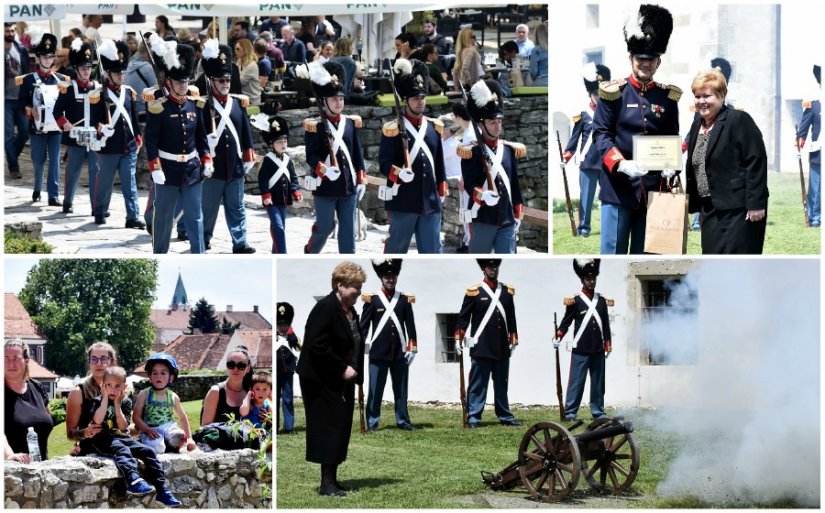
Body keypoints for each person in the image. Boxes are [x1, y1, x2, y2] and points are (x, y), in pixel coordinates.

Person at [592, 4, 680, 254]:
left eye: (651, 59)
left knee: (646, 256)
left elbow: (672, 138)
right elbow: (601, 134)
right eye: (641, 58)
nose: (646, 63)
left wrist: (670, 167)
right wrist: (621, 163)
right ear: (631, 57)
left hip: (653, 192)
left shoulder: (668, 97)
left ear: (659, 61)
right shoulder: (614, 93)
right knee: (613, 254)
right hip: (619, 189)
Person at [296, 261, 368, 497]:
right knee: (328, 428)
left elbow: (353, 342)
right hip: (320, 380)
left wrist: (355, 372)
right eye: (354, 286)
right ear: (340, 285)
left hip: (339, 381)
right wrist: (341, 369)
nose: (358, 291)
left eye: (359, 286)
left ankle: (333, 480)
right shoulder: (326, 308)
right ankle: (327, 484)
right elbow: (316, 346)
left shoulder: (349, 310)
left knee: (340, 427)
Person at [685, 68, 768, 254]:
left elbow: (756, 162)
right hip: (709, 209)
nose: (701, 101)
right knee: (713, 262)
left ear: (721, 96)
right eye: (697, 96)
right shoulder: (697, 125)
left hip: (739, 210)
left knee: (739, 263)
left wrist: (756, 204)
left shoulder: (739, 119)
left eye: (707, 96)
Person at [144, 37, 211, 254]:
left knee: (195, 216)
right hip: (167, 170)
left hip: (191, 169)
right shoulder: (158, 108)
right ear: (170, 81)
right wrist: (155, 168)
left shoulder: (195, 105)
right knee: (163, 217)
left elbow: (201, 138)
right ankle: (159, 254)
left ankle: (198, 253)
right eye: (180, 81)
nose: (184, 85)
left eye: (186, 81)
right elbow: (151, 142)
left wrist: (207, 159)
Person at [86, 366, 182, 506]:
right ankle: (133, 479)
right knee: (121, 449)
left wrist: (117, 406)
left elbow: (123, 427)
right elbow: (98, 420)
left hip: (122, 437)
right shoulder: (96, 401)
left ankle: (162, 490)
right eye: (109, 385)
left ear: (124, 386)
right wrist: (105, 398)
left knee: (148, 451)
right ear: (102, 385)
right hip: (102, 438)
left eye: (117, 386)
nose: (113, 389)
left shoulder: (125, 402)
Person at [379, 58, 447, 254]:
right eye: (415, 98)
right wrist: (398, 173)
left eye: (422, 98)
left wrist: (440, 190)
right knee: (395, 252)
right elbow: (384, 163)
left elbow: (439, 164)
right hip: (403, 200)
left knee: (433, 252)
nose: (420, 102)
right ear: (405, 100)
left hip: (430, 200)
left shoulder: (434, 128)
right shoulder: (393, 129)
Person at [301, 59, 367, 254]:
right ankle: (311, 252)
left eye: (340, 99)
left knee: (348, 229)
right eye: (334, 100)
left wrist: (361, 178)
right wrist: (324, 170)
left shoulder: (350, 123)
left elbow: (357, 153)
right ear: (324, 101)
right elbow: (311, 156)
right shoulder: (316, 126)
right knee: (325, 226)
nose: (339, 103)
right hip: (325, 187)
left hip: (348, 185)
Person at [200, 39, 257, 254]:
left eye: (228, 80)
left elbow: (245, 132)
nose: (225, 84)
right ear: (212, 81)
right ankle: (204, 238)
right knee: (208, 209)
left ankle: (240, 241)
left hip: (234, 166)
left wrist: (249, 154)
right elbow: (197, 135)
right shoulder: (203, 105)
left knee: (237, 208)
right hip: (213, 168)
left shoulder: (237, 103)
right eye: (221, 80)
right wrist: (207, 144)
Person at [459, 79, 526, 253]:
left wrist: (517, 213)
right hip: (482, 219)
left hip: (507, 219)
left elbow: (514, 185)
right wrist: (483, 195)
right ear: (481, 124)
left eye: (499, 121)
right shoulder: (471, 152)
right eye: (492, 122)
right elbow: (468, 183)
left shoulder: (508, 150)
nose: (497, 126)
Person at [454, 259, 520, 428]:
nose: (493, 270)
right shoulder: (474, 293)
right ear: (484, 269)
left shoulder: (506, 292)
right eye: (490, 267)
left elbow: (511, 317)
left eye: (495, 267)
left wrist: (513, 337)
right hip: (482, 346)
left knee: (501, 384)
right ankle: (474, 416)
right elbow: (463, 318)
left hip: (501, 347)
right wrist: (458, 338)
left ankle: (505, 415)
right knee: (478, 384)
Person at [90, 39, 145, 229]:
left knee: (130, 183)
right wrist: (101, 128)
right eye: (117, 73)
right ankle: (99, 211)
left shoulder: (128, 93)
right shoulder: (99, 94)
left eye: (122, 72)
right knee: (104, 182)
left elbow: (133, 118)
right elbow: (93, 120)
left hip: (127, 144)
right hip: (108, 146)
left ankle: (132, 216)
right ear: (108, 73)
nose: (121, 76)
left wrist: (137, 135)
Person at [360, 259, 418, 432]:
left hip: (400, 354)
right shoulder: (372, 300)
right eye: (387, 276)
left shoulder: (404, 300)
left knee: (401, 390)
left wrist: (412, 348)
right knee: (375, 390)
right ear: (381, 278)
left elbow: (411, 326)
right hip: (378, 353)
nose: (390, 279)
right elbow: (363, 328)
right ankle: (372, 422)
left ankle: (403, 420)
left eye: (393, 276)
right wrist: (357, 347)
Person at [554, 259, 613, 421]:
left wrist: (607, 343)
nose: (591, 281)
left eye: (593, 278)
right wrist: (558, 336)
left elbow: (605, 325)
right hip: (580, 348)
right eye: (588, 278)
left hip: (598, 350)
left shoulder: (601, 301)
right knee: (576, 383)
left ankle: (598, 412)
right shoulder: (575, 301)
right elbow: (566, 322)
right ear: (582, 280)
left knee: (598, 384)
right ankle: (571, 412)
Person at [561, 63, 611, 237]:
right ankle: (583, 228)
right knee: (586, 199)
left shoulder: (611, 113)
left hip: (607, 162)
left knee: (608, 198)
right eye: (596, 94)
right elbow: (575, 138)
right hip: (588, 161)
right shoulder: (583, 115)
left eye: (601, 94)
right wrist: (566, 155)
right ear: (590, 94)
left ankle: (608, 227)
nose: (598, 97)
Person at [17, 30, 67, 205]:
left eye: (50, 57)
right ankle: (37, 188)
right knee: (38, 161)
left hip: (55, 128)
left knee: (55, 160)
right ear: (38, 58)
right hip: (36, 128)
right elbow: (22, 101)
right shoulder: (29, 80)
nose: (47, 60)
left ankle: (53, 195)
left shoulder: (61, 80)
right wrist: (30, 109)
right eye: (44, 57)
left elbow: (65, 104)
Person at [53, 38, 99, 216]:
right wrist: (65, 124)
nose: (86, 71)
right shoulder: (68, 88)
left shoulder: (97, 88)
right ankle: (68, 201)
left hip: (94, 136)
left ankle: (96, 206)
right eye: (83, 68)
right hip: (75, 135)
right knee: (74, 168)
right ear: (76, 69)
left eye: (89, 68)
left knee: (96, 170)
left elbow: (103, 113)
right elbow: (57, 111)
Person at [254, 114, 302, 253]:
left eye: (285, 141)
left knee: (280, 227)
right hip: (271, 201)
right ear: (272, 144)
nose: (283, 145)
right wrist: (266, 195)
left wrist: (296, 191)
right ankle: (282, 253)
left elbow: (292, 177)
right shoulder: (267, 160)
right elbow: (262, 179)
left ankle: (275, 253)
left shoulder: (288, 160)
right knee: (278, 227)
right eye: (279, 142)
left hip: (284, 199)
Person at [133, 353, 196, 453]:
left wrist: (190, 438)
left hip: (168, 427)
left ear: (171, 377)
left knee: (178, 435)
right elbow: (136, 417)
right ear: (149, 376)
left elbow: (182, 417)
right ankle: (158, 443)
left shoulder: (173, 397)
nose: (159, 376)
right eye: (155, 373)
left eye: (163, 373)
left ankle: (175, 442)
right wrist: (146, 430)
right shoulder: (144, 394)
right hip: (151, 429)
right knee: (158, 448)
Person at [4, 339, 54, 462]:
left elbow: (47, 417)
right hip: (12, 471)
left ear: (26, 361)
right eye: (6, 358)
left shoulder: (37, 387)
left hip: (41, 469)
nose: (11, 364)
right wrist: (9, 456)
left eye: (16, 358)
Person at [441, 102, 475, 251]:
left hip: (469, 180)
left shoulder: (469, 134)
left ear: (458, 117)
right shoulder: (471, 131)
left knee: (468, 212)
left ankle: (470, 243)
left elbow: (469, 160)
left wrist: (463, 179)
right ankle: (469, 242)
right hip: (467, 179)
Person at [201, 346, 257, 425]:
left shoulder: (252, 392)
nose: (235, 369)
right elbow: (205, 427)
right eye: (231, 364)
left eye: (241, 365)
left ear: (248, 368)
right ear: (226, 366)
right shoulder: (216, 392)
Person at [5, 23, 30, 180]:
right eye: (7, 30)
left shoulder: (20, 48)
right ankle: (14, 167)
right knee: (7, 135)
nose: (10, 33)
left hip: (20, 98)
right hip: (5, 99)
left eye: (13, 30)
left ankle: (11, 154)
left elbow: (26, 72)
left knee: (25, 131)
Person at [798, 64, 821, 228]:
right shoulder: (814, 104)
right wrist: (800, 139)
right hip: (819, 152)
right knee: (817, 188)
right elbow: (804, 125)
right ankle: (815, 218)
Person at [275, 302, 301, 434]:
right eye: (280, 324)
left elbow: (298, 350)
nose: (283, 327)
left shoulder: (293, 338)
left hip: (287, 373)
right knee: (275, 401)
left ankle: (288, 426)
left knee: (288, 399)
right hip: (276, 374)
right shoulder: (273, 338)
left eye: (285, 324)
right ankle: (274, 427)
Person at [124, 41, 157, 115]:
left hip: (130, 107)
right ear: (146, 53)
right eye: (151, 53)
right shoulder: (147, 68)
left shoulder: (129, 64)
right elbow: (156, 89)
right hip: (144, 109)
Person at [234, 39, 260, 106]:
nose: (235, 51)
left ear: (245, 50)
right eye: (235, 49)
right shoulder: (239, 63)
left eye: (238, 49)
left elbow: (239, 82)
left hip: (252, 102)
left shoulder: (252, 65)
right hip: (242, 100)